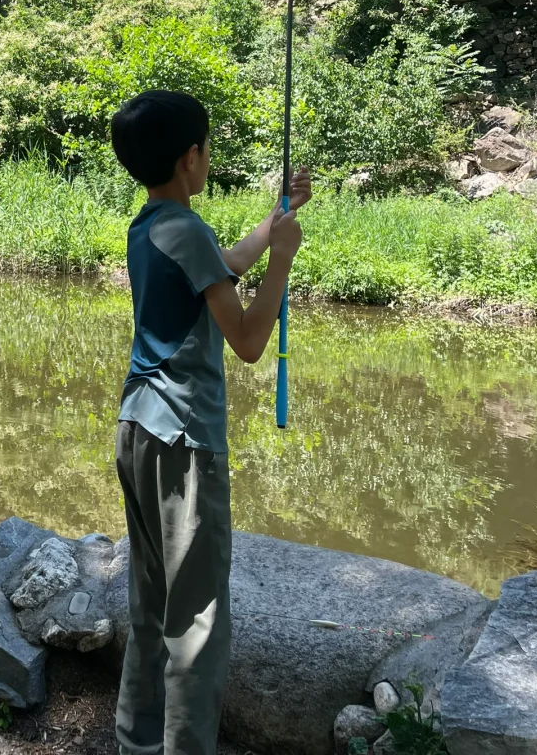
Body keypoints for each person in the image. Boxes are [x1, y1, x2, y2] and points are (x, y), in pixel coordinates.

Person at [109, 89, 311, 755]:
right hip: (182, 443)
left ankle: (135, 742)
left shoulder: (152, 224)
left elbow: (226, 265)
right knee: (195, 621)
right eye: (207, 148)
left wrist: (277, 217)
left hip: (138, 428)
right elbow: (250, 339)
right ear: (191, 157)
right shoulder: (184, 230)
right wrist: (285, 255)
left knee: (149, 605)